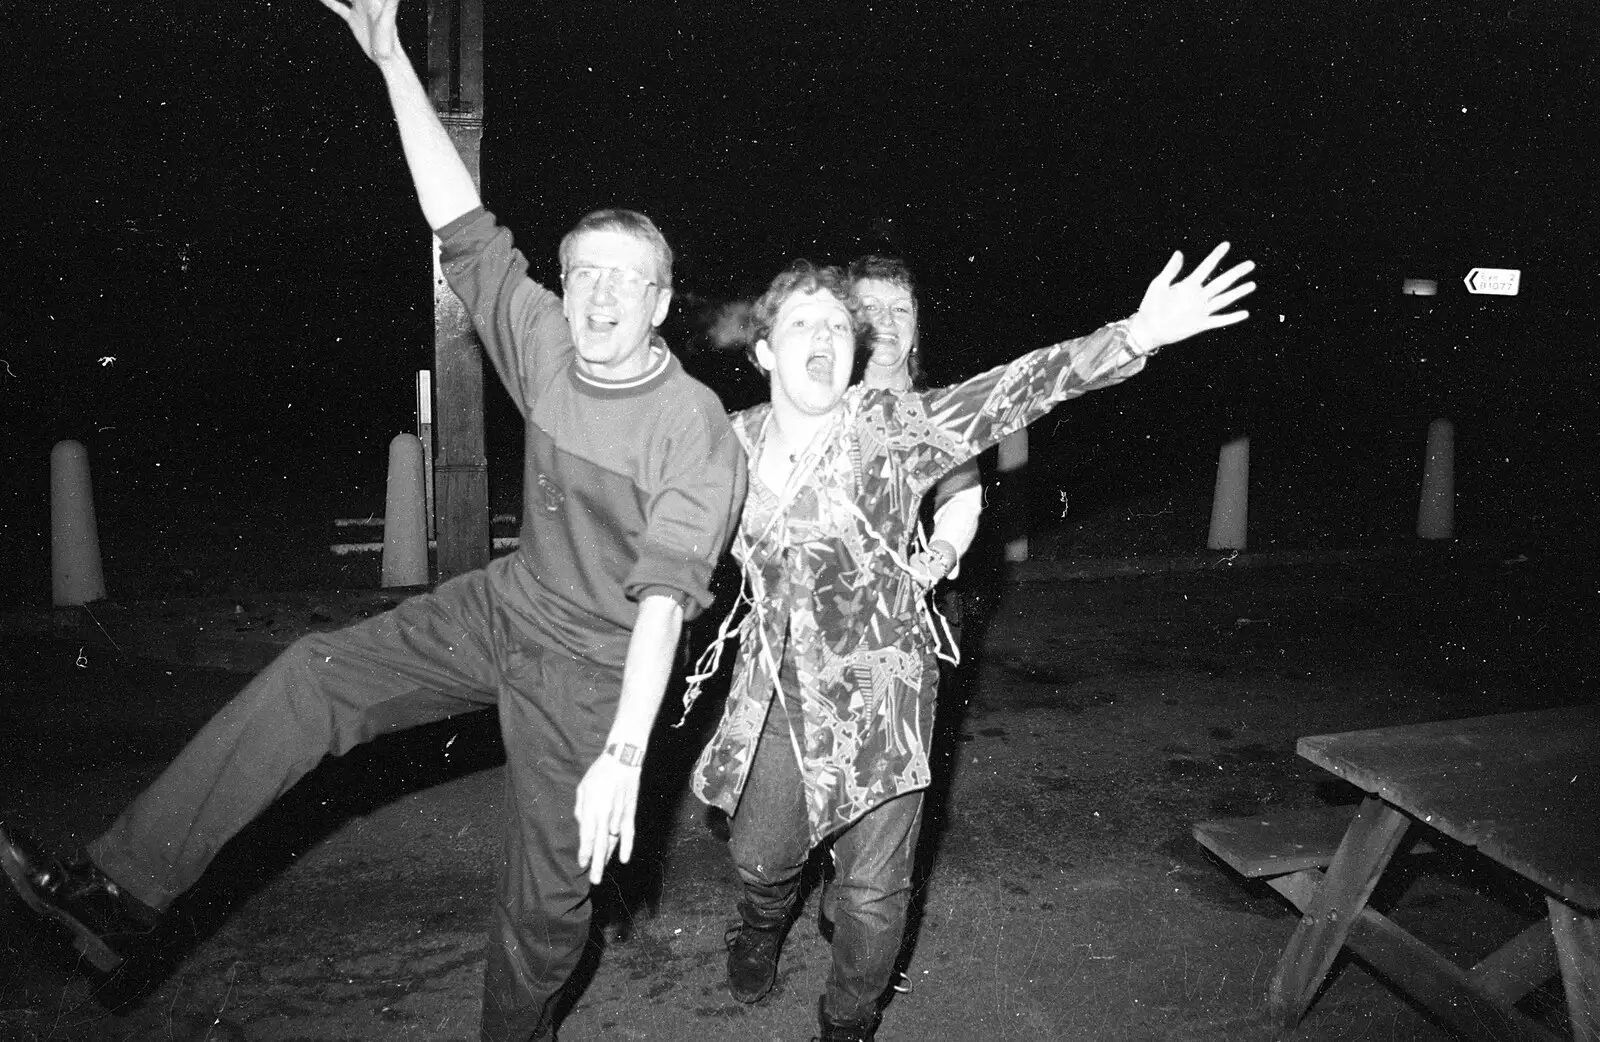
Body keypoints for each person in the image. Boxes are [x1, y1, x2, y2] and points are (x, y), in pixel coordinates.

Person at [0, 2, 744, 1040]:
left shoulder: (691, 426)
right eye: (582, 274)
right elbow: (458, 218)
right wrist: (390, 57)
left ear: (662, 303)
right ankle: (115, 893)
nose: (598, 297)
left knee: (544, 897)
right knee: (313, 677)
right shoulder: (541, 338)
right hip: (506, 608)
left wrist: (624, 752)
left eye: (626, 280)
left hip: (599, 673)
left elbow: (665, 600)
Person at [688, 246, 1254, 1042]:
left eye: (835, 325)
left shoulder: (889, 428)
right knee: (762, 859)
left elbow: (1009, 393)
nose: (823, 335)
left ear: (853, 353)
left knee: (873, 893)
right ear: (763, 351)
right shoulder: (728, 445)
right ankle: (760, 921)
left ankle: (847, 1020)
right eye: (800, 323)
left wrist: (1131, 336)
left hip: (883, 691)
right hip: (775, 694)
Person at [850, 254, 982, 632]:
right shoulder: (823, 408)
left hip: (922, 602)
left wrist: (935, 563)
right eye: (870, 307)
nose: (887, 320)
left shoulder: (940, 411)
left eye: (900, 309)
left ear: (916, 329)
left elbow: (962, 499)